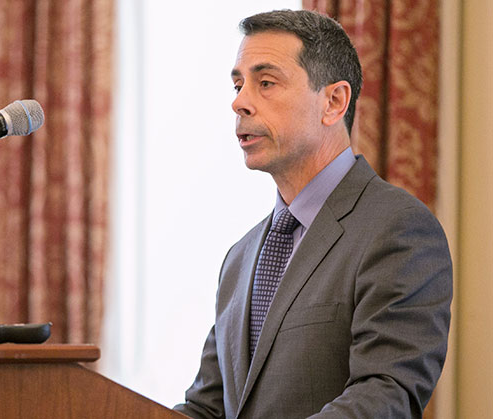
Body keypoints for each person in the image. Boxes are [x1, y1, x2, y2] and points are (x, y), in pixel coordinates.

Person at [173, 9, 452, 419]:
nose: (239, 102)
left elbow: (387, 393)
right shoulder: (239, 257)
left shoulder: (398, 229)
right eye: (238, 84)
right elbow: (207, 407)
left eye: (265, 83)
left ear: (334, 102)